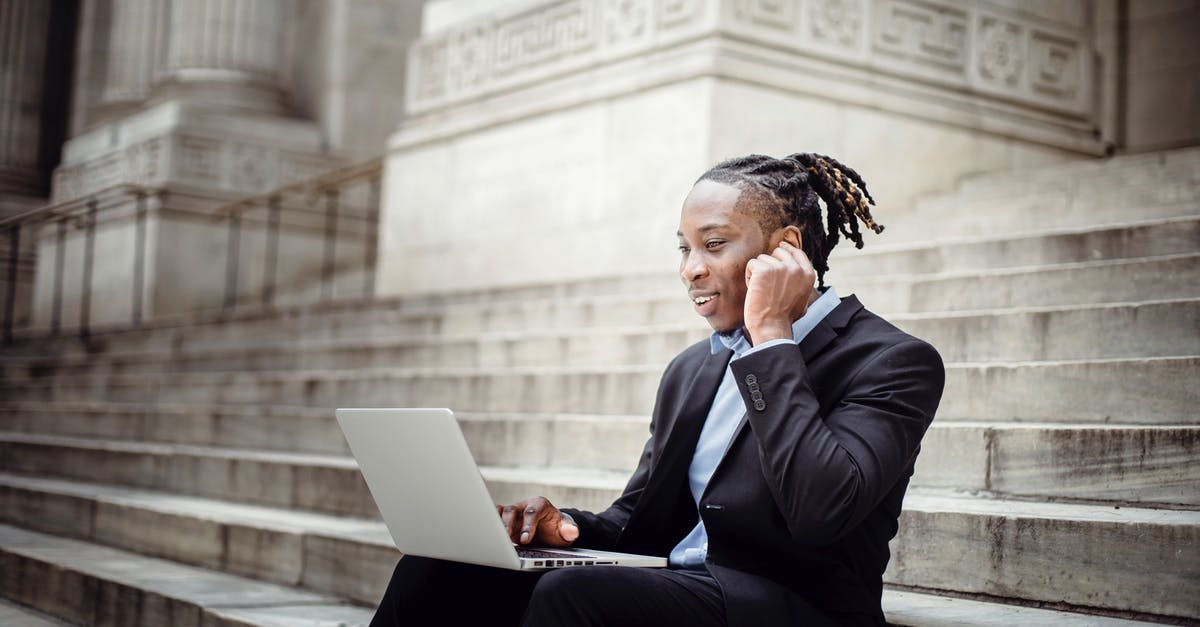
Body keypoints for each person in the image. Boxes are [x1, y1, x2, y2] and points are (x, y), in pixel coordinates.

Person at [370, 152, 945, 627]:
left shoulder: (892, 361)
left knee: (572, 602)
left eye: (713, 245)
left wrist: (772, 339)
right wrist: (563, 528)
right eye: (684, 248)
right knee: (437, 570)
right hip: (678, 587)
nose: (690, 269)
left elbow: (821, 509)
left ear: (785, 248)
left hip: (795, 605)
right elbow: (640, 518)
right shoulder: (693, 369)